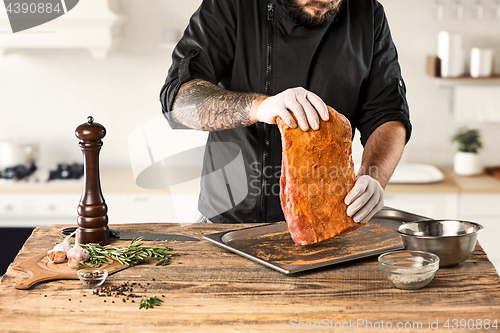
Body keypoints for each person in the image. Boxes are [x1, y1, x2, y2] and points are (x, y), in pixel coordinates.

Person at [160, 0, 411, 224]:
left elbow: (387, 114)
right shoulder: (231, 6)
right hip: (229, 222)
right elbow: (179, 101)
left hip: (325, 225)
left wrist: (374, 175)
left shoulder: (369, 14)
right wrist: (259, 107)